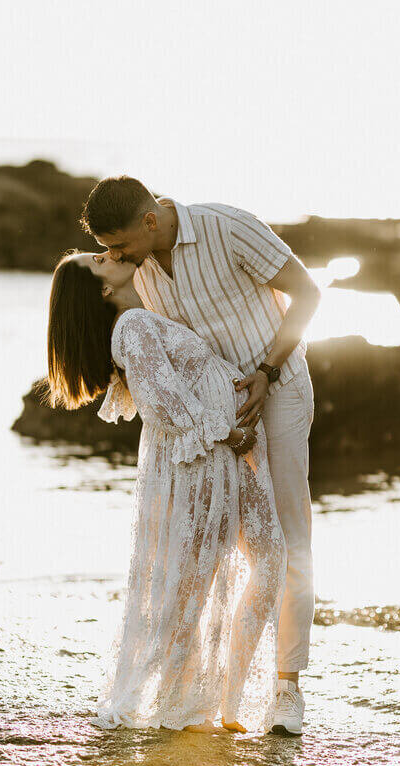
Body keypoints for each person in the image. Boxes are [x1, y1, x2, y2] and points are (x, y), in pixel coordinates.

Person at [81, 177, 320, 736]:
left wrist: (267, 371)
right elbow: (138, 337)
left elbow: (308, 293)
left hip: (277, 390)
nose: (117, 257)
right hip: (218, 421)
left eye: (120, 245)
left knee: (288, 536)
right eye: (108, 252)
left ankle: (287, 688)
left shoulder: (226, 227)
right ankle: (210, 689)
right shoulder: (138, 270)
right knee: (210, 547)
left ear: (148, 220)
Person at [46, 249, 287, 733]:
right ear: (102, 290)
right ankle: (190, 702)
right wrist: (230, 433)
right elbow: (163, 404)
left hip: (216, 452)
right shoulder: (131, 327)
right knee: (193, 584)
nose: (108, 254)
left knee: (263, 557)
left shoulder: (140, 318)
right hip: (202, 458)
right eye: (98, 261)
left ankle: (223, 693)